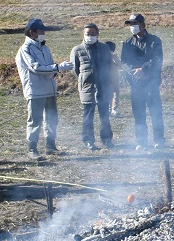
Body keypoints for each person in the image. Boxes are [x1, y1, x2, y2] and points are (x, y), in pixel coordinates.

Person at [15, 18, 72, 159]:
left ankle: (50, 146)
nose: (43, 32)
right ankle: (32, 148)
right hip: (35, 91)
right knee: (35, 121)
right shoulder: (25, 49)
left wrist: (56, 69)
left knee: (52, 119)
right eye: (41, 30)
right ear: (31, 32)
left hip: (49, 89)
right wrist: (58, 68)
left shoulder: (45, 48)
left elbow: (50, 66)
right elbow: (36, 68)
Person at [119, 13, 165, 150]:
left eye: (135, 24)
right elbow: (125, 62)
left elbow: (157, 59)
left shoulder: (154, 41)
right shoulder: (127, 43)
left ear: (143, 25)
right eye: (131, 25)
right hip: (136, 84)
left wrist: (144, 69)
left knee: (155, 113)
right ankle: (141, 141)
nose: (133, 27)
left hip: (151, 82)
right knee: (139, 114)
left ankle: (159, 139)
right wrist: (134, 71)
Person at [70, 23, 117, 151]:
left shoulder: (104, 48)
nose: (90, 36)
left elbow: (109, 65)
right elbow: (75, 70)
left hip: (103, 86)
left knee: (104, 116)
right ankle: (89, 141)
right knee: (88, 116)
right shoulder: (77, 50)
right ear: (83, 35)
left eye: (93, 34)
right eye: (87, 34)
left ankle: (107, 140)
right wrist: (85, 79)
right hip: (87, 88)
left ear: (97, 34)